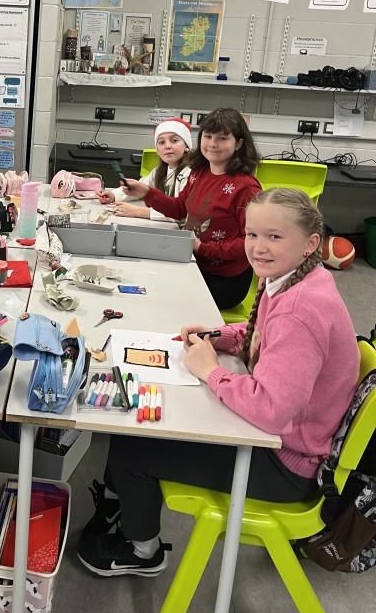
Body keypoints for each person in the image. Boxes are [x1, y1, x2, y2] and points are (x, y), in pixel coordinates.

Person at [78, 188, 360, 578]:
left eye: (274, 236)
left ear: (311, 243)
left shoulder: (300, 308)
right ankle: (119, 503)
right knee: (132, 428)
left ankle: (143, 552)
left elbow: (272, 410)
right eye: (252, 234)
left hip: (286, 465)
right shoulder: (293, 277)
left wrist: (211, 371)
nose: (258, 247)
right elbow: (264, 333)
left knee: (131, 450)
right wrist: (218, 336)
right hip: (285, 443)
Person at [116, 108, 261, 309]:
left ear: (239, 143)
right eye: (208, 136)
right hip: (192, 261)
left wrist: (203, 248)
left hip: (223, 280)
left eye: (222, 138)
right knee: (143, 280)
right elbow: (180, 209)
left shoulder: (246, 188)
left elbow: (252, 241)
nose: (212, 144)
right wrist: (147, 192)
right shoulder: (199, 173)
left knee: (158, 298)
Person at [97, 117, 192, 222]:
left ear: (187, 146)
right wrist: (113, 195)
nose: (168, 146)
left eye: (174, 140)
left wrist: (138, 211)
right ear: (157, 151)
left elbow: (182, 213)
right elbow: (141, 188)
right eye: (161, 142)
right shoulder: (160, 170)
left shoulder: (190, 173)